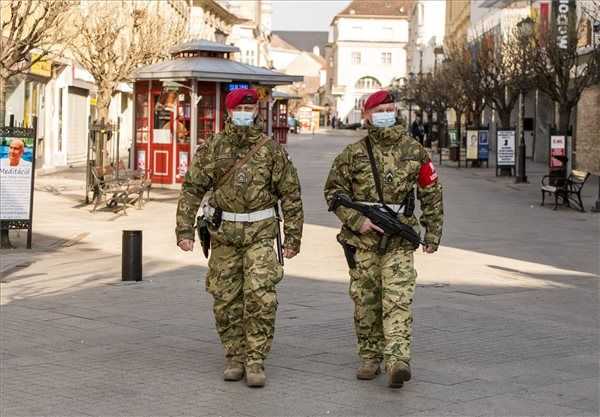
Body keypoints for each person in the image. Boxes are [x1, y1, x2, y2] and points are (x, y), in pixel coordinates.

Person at [176, 88, 304, 388]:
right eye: (240, 108)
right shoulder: (213, 147)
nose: (246, 113)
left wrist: (293, 236)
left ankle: (256, 358)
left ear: (257, 112)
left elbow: (291, 193)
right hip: (224, 236)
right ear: (229, 112)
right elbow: (192, 188)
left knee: (261, 297)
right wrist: (184, 230)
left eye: (251, 108)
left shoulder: (271, 149)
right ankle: (234, 355)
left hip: (261, 234)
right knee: (225, 299)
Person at [324, 90, 443, 388]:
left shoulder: (415, 150)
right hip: (362, 242)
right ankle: (370, 356)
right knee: (366, 301)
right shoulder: (353, 154)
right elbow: (333, 193)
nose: (387, 113)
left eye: (390, 108)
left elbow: (431, 192)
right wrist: (357, 220)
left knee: (398, 299)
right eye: (380, 109)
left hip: (398, 240)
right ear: (366, 116)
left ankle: (398, 359)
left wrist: (433, 231)